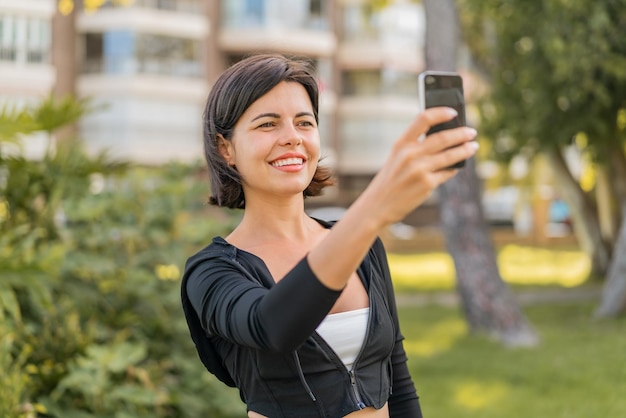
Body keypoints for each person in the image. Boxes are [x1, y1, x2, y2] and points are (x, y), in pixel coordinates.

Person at [181, 53, 478, 418]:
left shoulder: (363, 246)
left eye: (304, 122)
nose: (292, 138)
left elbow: (397, 378)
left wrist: (365, 225)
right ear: (226, 148)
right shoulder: (211, 272)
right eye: (267, 125)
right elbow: (272, 326)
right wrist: (372, 210)